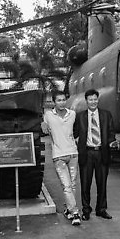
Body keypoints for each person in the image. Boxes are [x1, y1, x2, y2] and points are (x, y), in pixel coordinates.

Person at [73, 89, 119, 220]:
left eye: (95, 99)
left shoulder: (106, 115)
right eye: (90, 99)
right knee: (85, 184)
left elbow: (111, 132)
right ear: (86, 101)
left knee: (102, 183)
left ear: (98, 100)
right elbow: (74, 133)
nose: (93, 102)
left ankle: (101, 209)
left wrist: (112, 142)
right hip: (86, 153)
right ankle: (86, 210)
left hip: (101, 153)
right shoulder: (80, 116)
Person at [42, 90, 81, 226]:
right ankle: (75, 212)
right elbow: (43, 127)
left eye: (64, 99)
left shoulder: (72, 114)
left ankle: (68, 210)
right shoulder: (48, 115)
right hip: (58, 156)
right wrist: (43, 126)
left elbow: (76, 130)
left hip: (73, 154)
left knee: (73, 185)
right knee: (66, 185)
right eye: (59, 100)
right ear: (54, 102)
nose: (62, 102)